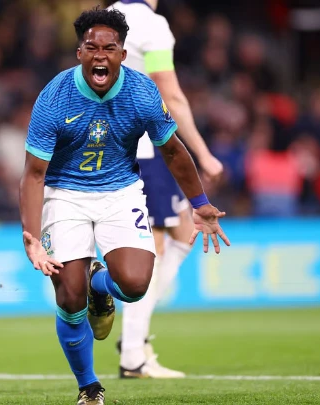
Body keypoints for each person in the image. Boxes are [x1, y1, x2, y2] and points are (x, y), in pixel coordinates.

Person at [19, 7, 229, 405]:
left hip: (121, 191)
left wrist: (199, 204)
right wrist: (32, 237)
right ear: (79, 52)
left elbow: (173, 150)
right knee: (69, 297)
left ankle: (102, 284)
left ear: (122, 53)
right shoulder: (53, 98)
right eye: (91, 47)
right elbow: (33, 174)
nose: (101, 55)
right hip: (65, 194)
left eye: (110, 48)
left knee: (134, 286)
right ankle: (89, 387)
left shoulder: (142, 92)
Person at [108, 0, 224, 379]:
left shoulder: (105, 16)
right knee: (154, 247)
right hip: (145, 148)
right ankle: (133, 355)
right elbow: (171, 96)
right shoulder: (151, 24)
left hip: (117, 144)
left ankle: (134, 339)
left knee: (184, 232)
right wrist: (203, 154)